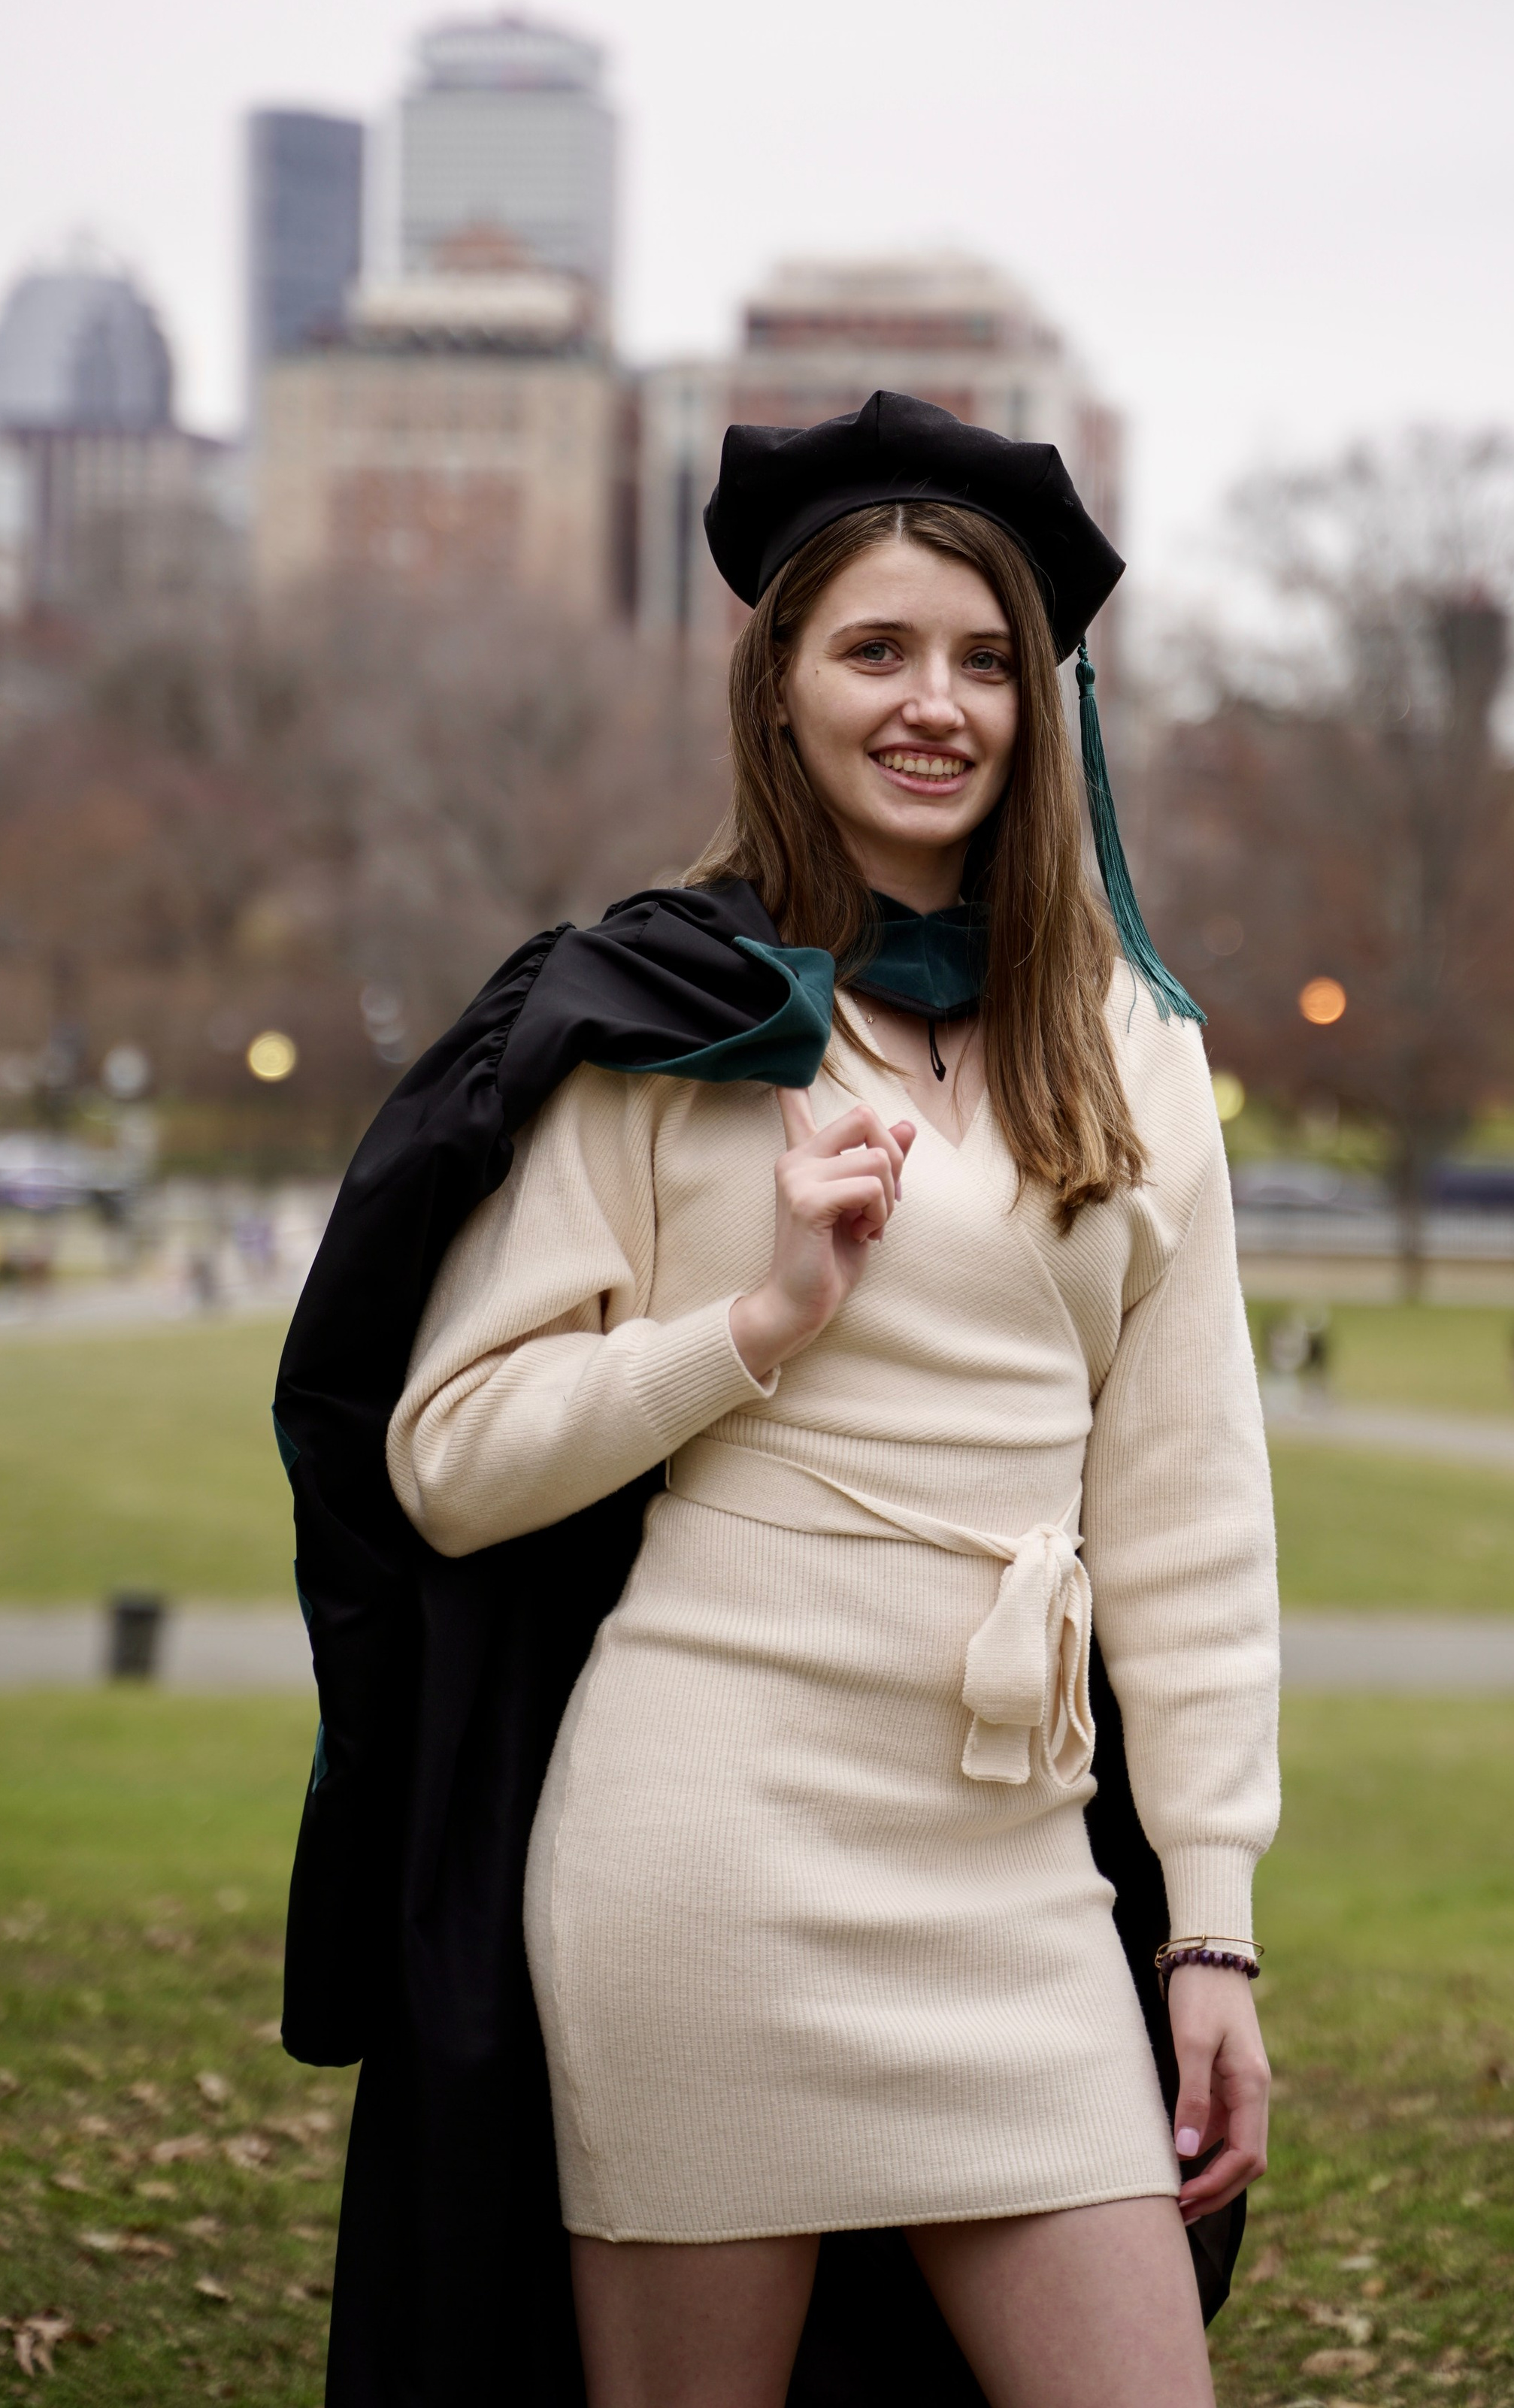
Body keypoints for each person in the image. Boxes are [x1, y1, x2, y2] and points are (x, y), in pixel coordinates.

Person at [280, 393, 1279, 2408]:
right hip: (707, 1851)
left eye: (989, 659)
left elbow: (1186, 1514)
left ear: (1045, 703)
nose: (941, 704)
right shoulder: (665, 1013)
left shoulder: (1128, 1041)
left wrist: (1214, 1931)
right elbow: (451, 1465)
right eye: (879, 650)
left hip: (1013, 1871)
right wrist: (751, 1323)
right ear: (785, 687)